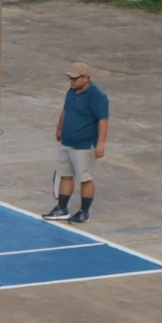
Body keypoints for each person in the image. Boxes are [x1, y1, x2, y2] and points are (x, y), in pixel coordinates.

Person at [46, 62, 109, 224]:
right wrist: (59, 128)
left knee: (85, 178)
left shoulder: (97, 96)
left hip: (84, 145)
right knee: (66, 175)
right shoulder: (71, 92)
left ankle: (84, 212)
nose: (72, 82)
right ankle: (62, 208)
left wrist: (101, 143)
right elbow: (66, 110)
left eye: (75, 79)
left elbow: (103, 120)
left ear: (86, 78)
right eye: (70, 78)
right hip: (67, 142)